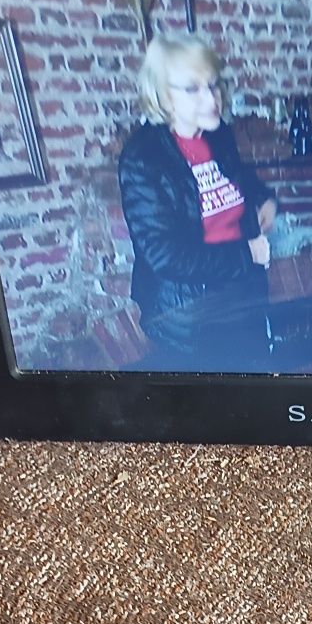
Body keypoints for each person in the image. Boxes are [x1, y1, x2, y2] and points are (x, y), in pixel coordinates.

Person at [118, 32, 278, 370]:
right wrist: (247, 254)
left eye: (213, 85)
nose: (211, 97)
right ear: (164, 96)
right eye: (192, 89)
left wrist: (264, 199)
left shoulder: (218, 134)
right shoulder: (143, 158)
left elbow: (239, 178)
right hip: (189, 314)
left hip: (242, 295)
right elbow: (166, 256)